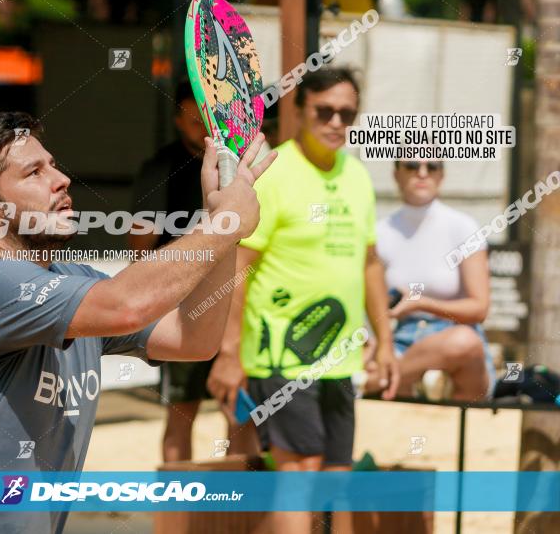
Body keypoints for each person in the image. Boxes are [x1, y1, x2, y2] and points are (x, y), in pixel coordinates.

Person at [0, 111, 275, 533]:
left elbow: (192, 340)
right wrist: (221, 226)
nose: (61, 179)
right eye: (34, 172)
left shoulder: (74, 280)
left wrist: (226, 228)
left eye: (53, 165)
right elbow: (127, 304)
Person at [206, 68, 400, 534]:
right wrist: (230, 353)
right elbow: (238, 267)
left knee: (336, 482)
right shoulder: (275, 173)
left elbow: (370, 262)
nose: (336, 121)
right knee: (299, 476)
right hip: (282, 359)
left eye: (347, 113)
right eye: (325, 111)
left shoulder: (356, 175)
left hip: (340, 359)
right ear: (299, 111)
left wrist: (386, 340)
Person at [130, 81, 259, 462]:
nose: (200, 124)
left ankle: (237, 511)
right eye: (191, 117)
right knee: (181, 413)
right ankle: (178, 514)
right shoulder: (160, 168)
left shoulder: (233, 165)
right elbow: (140, 243)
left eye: (205, 115)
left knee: (239, 409)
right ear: (176, 120)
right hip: (181, 305)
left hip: (234, 301)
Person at [374, 160, 493, 401]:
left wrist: (420, 303)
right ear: (396, 174)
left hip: (453, 335)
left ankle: (379, 381)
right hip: (401, 339)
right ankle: (408, 380)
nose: (422, 173)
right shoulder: (379, 231)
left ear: (442, 175)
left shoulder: (463, 226)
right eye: (411, 165)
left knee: (464, 343)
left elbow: (479, 308)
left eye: (432, 167)